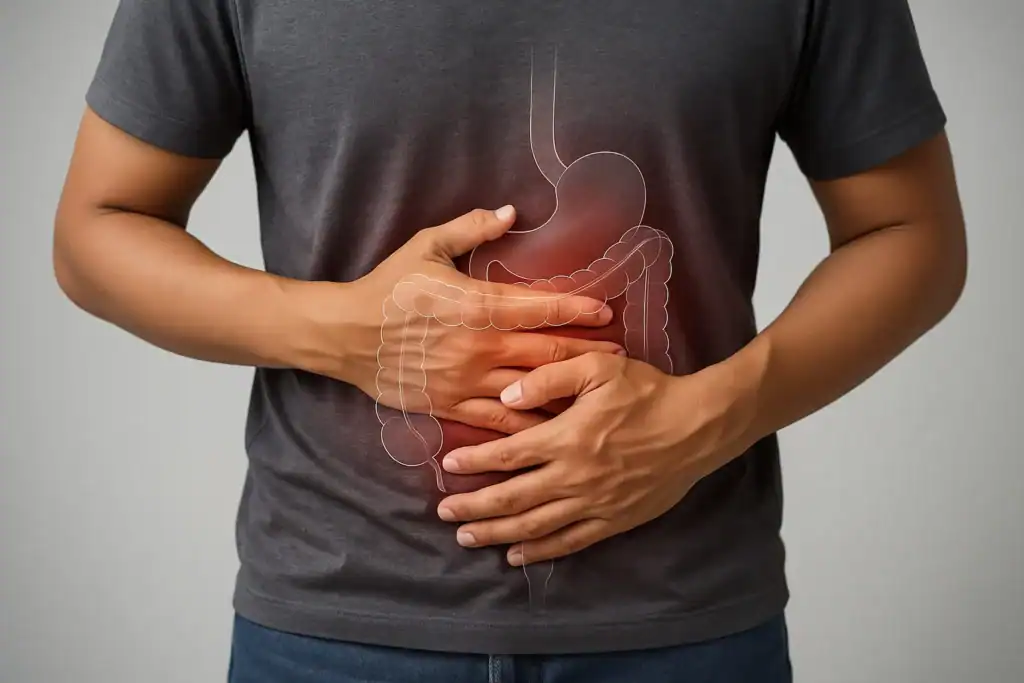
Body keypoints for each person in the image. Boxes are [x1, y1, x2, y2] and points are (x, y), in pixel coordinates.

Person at [52, 1, 967, 681]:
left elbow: (912, 233)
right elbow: (97, 228)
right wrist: (352, 334)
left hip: (684, 622)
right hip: (334, 628)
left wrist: (707, 419)